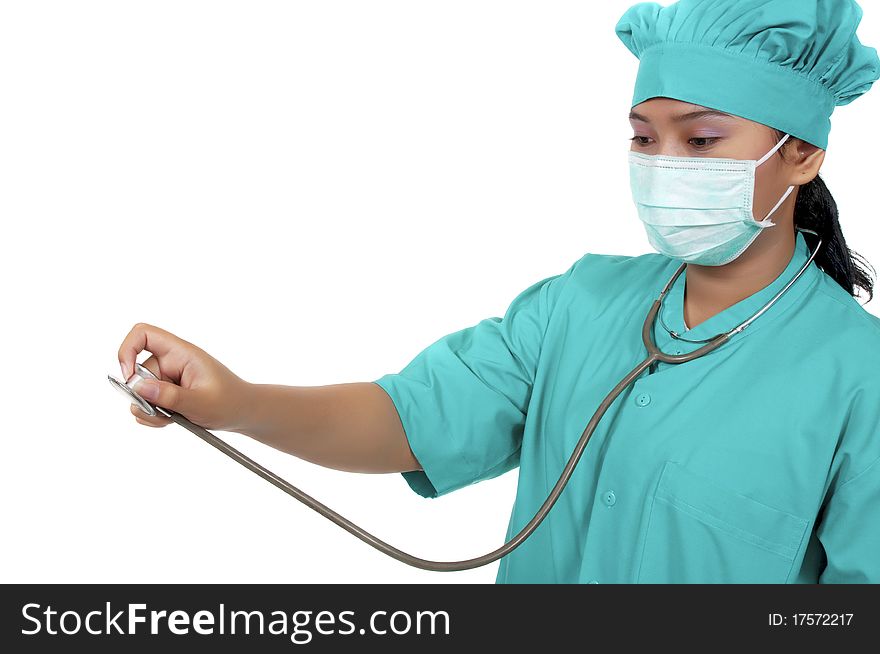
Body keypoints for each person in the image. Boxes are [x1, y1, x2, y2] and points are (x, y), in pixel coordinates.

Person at [117, 0, 880, 583]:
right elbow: (408, 418)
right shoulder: (577, 304)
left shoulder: (858, 377)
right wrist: (238, 402)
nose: (664, 163)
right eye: (644, 139)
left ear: (803, 153)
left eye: (702, 140)